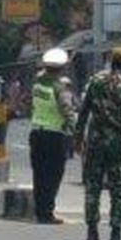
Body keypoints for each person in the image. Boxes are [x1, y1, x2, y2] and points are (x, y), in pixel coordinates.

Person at [75, 46, 121, 240]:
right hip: (116, 143)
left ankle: (91, 234)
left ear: (111, 62)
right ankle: (115, 235)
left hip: (95, 142)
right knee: (117, 189)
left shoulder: (95, 83)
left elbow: (83, 112)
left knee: (93, 188)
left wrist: (78, 139)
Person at [30, 48, 76, 224]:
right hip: (55, 135)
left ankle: (39, 211)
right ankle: (47, 213)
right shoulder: (60, 88)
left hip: (36, 133)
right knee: (53, 175)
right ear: (62, 68)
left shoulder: (37, 84)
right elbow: (67, 111)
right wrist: (75, 132)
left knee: (39, 174)